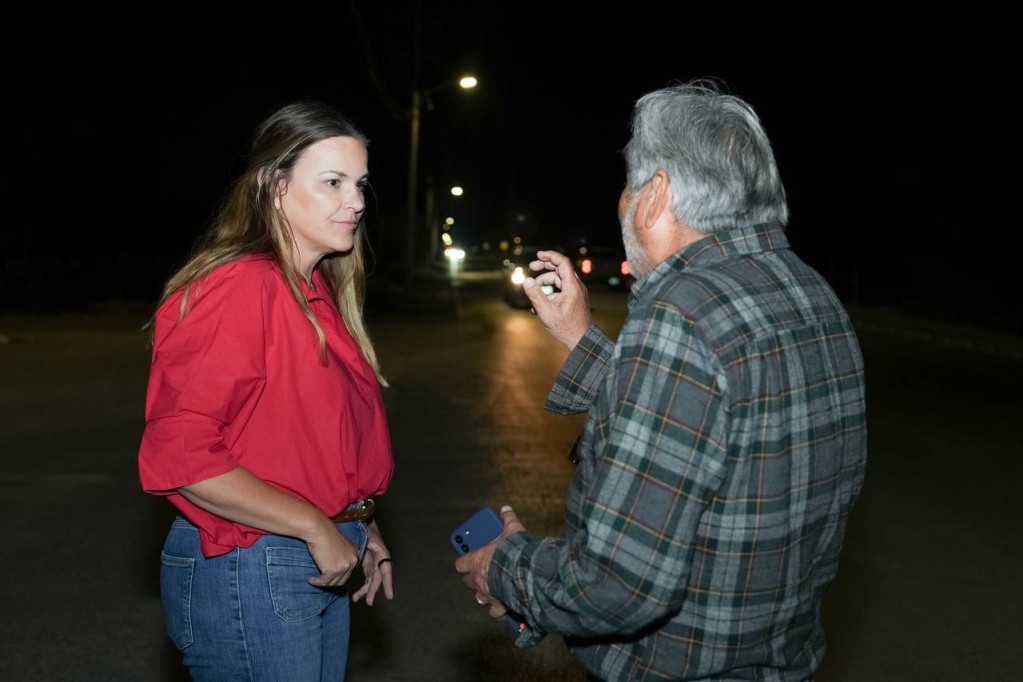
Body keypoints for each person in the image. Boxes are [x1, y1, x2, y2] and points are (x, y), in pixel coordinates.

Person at [455, 78, 867, 681]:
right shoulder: (810, 296)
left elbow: (618, 585)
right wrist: (580, 336)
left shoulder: (680, 313)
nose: (621, 202)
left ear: (656, 194)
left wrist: (504, 566)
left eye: (628, 185)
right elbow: (706, 427)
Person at [137, 99, 395, 681]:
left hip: (312, 552)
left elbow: (314, 442)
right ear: (272, 186)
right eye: (332, 182)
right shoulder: (241, 285)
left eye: (359, 184)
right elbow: (180, 455)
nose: (354, 201)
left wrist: (361, 522)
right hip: (253, 563)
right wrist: (314, 525)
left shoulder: (316, 292)